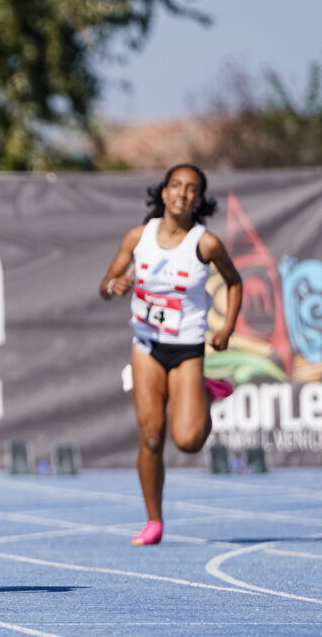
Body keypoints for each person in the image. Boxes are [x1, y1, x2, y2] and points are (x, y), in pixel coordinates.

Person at [99, 164, 242, 545]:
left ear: (198, 199)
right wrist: (118, 284)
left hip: (188, 348)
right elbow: (105, 284)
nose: (182, 193)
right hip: (146, 345)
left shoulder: (205, 242)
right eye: (175, 186)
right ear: (163, 193)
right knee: (150, 437)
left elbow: (234, 281)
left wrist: (226, 327)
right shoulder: (138, 237)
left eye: (191, 188)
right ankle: (153, 520)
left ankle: (206, 393)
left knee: (189, 440)